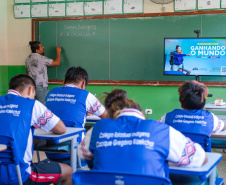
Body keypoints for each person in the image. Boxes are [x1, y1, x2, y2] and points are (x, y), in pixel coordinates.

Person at [78, 89, 207, 177]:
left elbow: (81, 153)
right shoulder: (160, 130)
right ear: (141, 113)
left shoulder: (98, 128)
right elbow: (200, 157)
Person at [0, 74, 73, 185]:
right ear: (31, 90)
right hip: (19, 176)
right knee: (68, 171)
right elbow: (61, 128)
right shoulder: (32, 105)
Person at [45, 66, 107, 163]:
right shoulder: (85, 95)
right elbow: (106, 116)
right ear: (83, 84)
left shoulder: (51, 93)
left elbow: (62, 110)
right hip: (74, 154)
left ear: (64, 82)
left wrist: (83, 111)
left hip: (49, 152)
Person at [160, 80, 226, 136]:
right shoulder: (211, 119)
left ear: (180, 103)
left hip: (177, 151)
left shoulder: (168, 117)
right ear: (203, 104)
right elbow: (223, 127)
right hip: (202, 151)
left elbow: (154, 127)